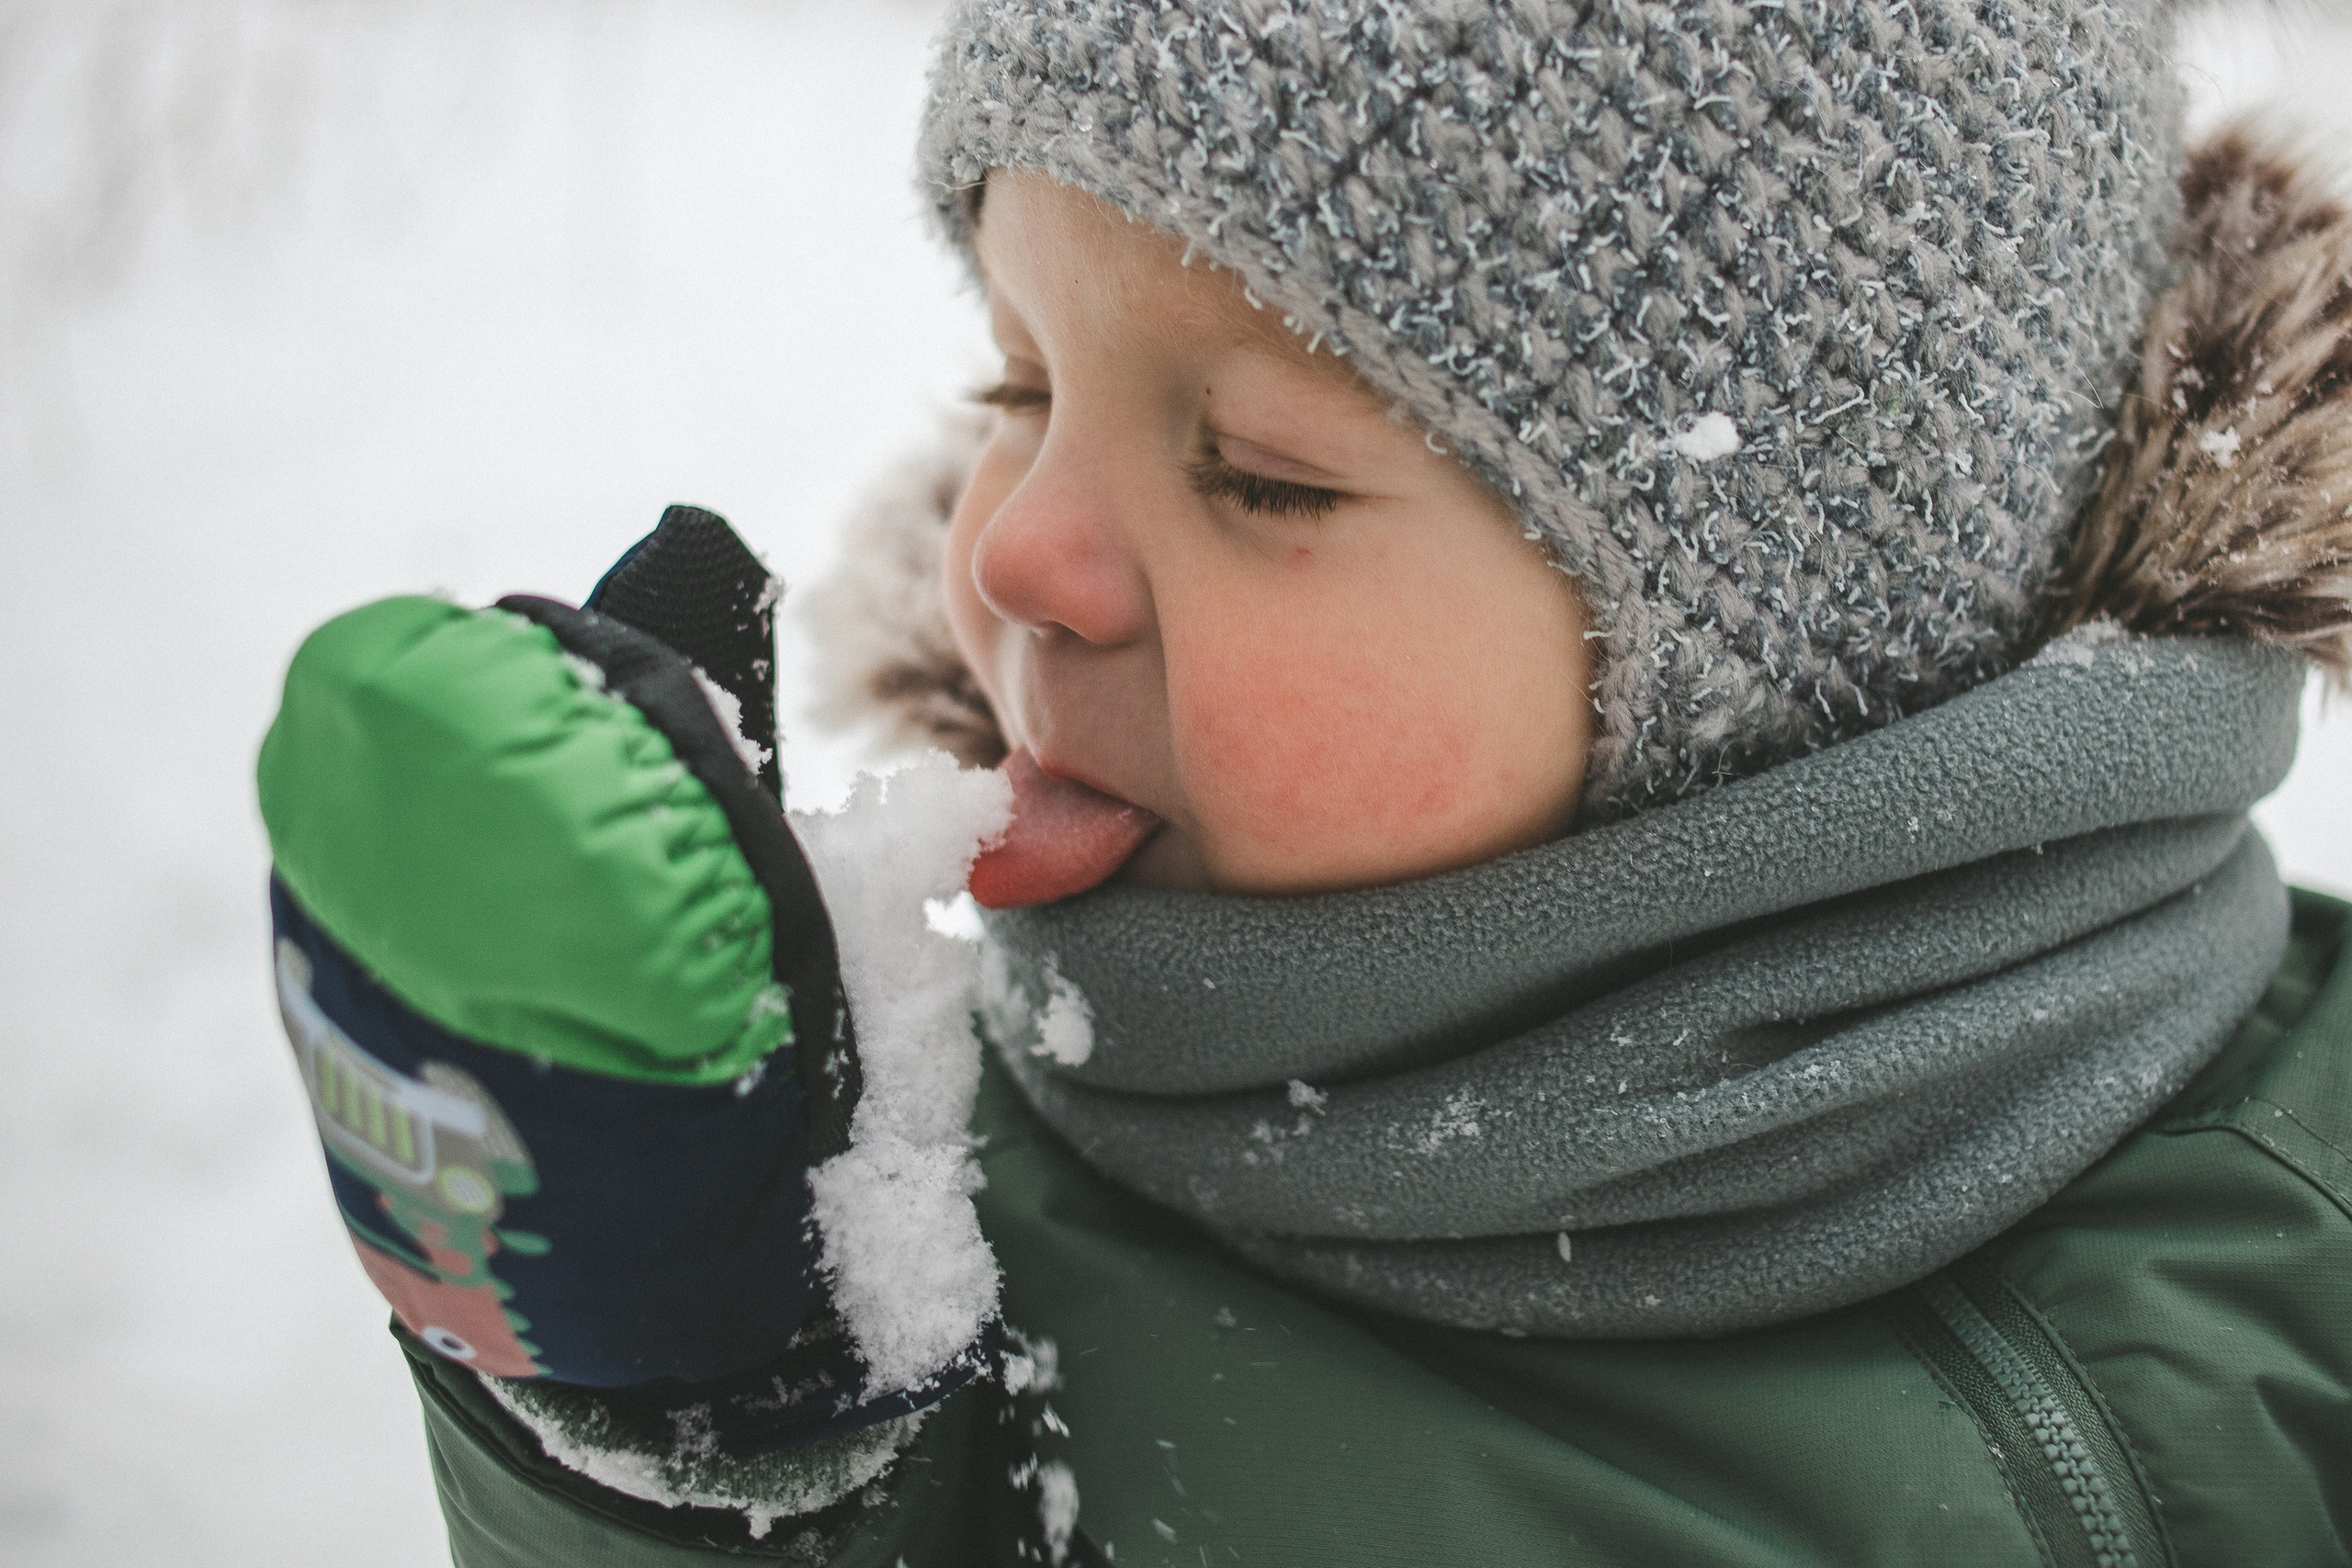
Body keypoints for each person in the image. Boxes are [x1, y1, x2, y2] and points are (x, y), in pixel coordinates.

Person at [257, 1, 2352, 1562]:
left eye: (1257, 469)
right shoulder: (911, 1193)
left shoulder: (2284, 1258)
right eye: (1019, 376)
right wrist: (680, 1410)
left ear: (1796, 656)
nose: (1010, 551)